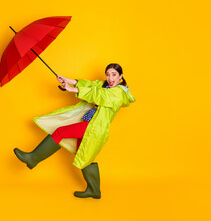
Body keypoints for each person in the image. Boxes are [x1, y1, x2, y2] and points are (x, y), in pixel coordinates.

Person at [14, 63, 135, 199]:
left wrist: (73, 90)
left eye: (114, 75)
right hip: (88, 123)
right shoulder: (104, 84)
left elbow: (99, 95)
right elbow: (90, 85)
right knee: (84, 156)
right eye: (108, 74)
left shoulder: (119, 93)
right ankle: (94, 190)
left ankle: (33, 158)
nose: (110, 78)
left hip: (95, 127)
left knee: (60, 132)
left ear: (121, 76)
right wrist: (67, 80)